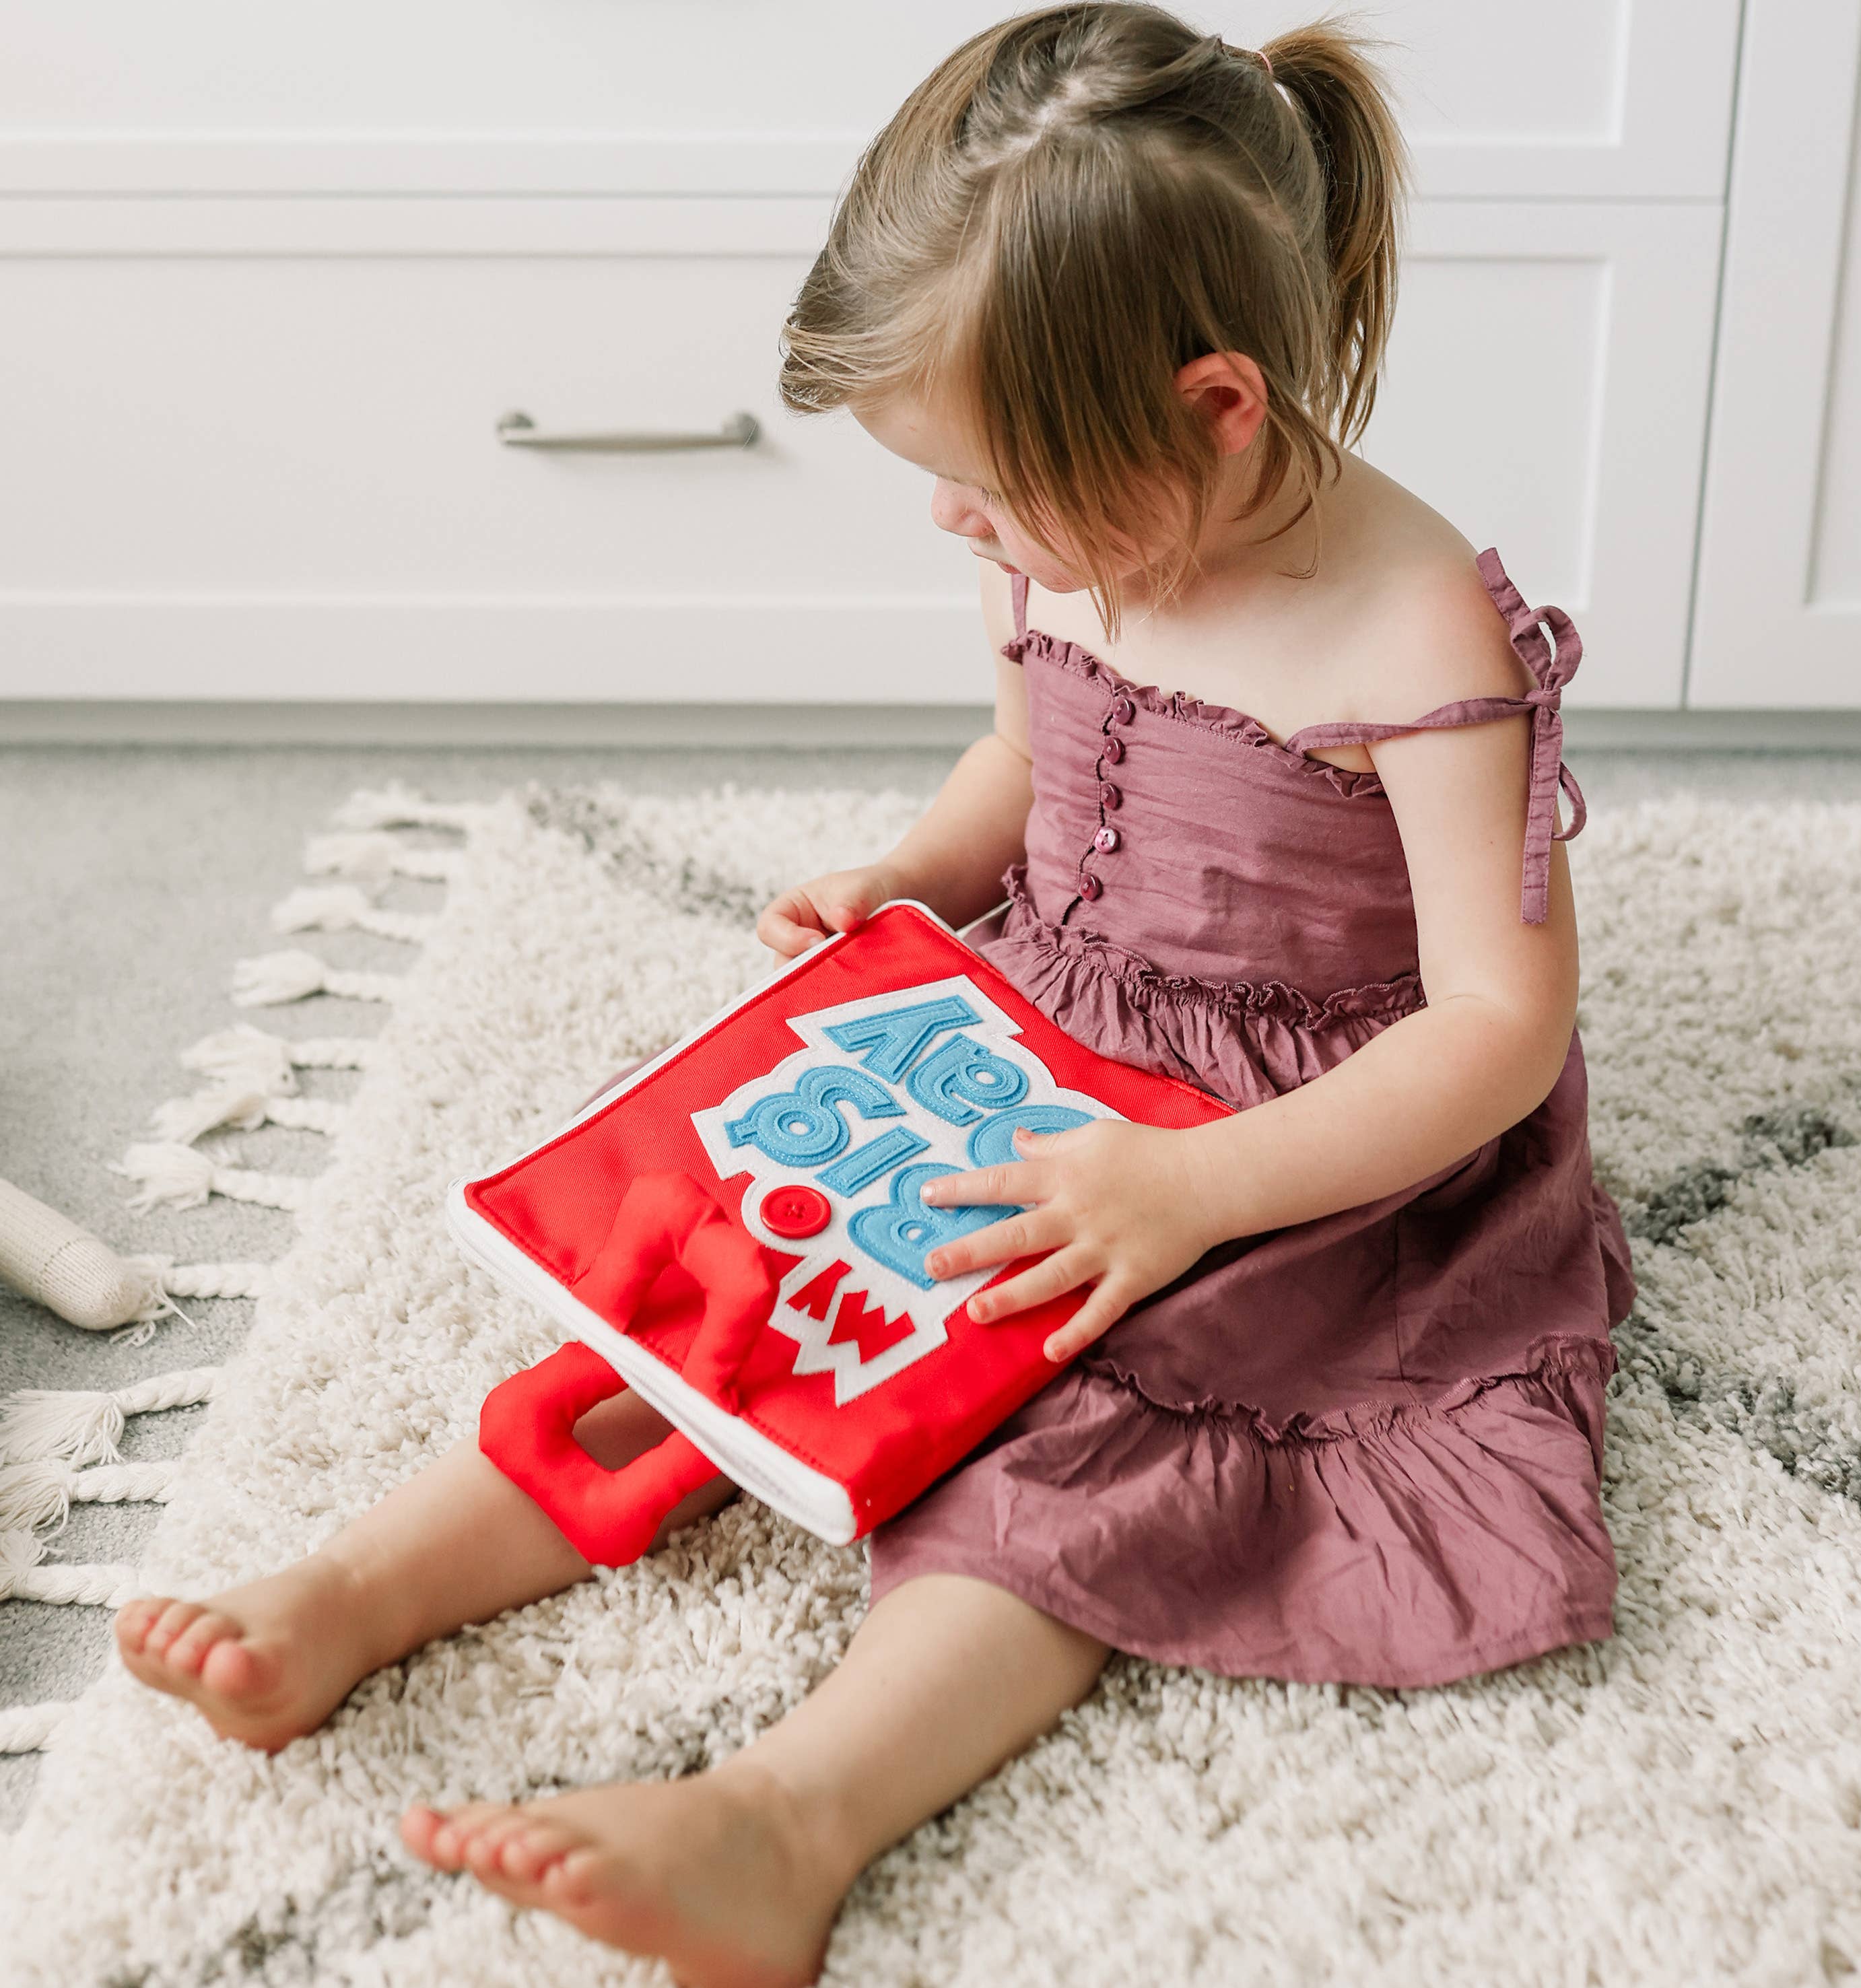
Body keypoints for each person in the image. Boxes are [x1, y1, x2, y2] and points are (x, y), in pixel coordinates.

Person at [111, 9, 1636, 1982]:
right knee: (741, 1258)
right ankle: (355, 1586)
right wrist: (911, 873)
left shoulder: (1424, 627)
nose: (956, 527)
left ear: (1217, 409)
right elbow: (1026, 761)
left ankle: (780, 1817)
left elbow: (1493, 1029)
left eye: (987, 491)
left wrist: (1193, 1191)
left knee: (1085, 1433)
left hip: (1300, 1141)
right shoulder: (1060, 523)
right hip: (1040, 1022)